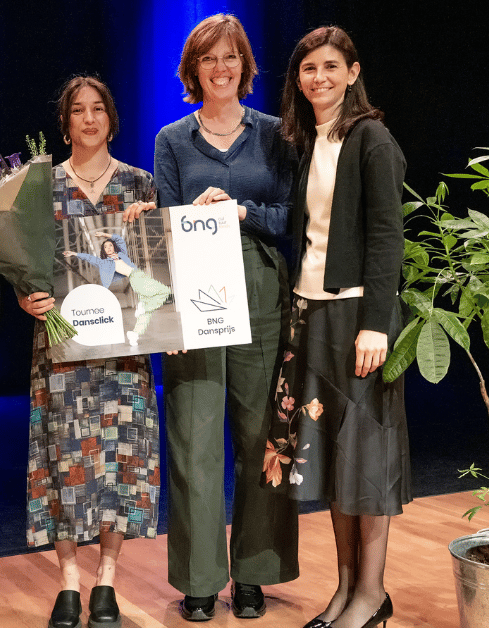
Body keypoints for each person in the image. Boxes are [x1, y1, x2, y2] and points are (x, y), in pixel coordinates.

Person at [152, 13, 299, 622]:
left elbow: (289, 215)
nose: (220, 69)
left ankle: (254, 574)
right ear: (193, 70)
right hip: (193, 299)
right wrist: (195, 212)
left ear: (245, 66)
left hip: (261, 293)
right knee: (192, 441)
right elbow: (160, 229)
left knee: (260, 438)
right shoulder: (171, 140)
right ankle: (199, 579)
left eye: (230, 58)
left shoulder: (275, 134)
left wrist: (239, 210)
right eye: (208, 60)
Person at [264, 25, 408, 628]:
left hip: (357, 317)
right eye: (307, 69)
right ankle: (347, 588)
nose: (317, 78)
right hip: (310, 312)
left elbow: (386, 238)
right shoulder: (314, 141)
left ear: (352, 73)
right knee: (329, 458)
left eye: (329, 67)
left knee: (366, 457)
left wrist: (376, 324)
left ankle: (372, 594)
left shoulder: (371, 138)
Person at [19, 75, 160, 628]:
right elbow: (23, 262)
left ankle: (107, 580)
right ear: (65, 121)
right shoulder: (40, 188)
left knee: (120, 461)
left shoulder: (139, 183)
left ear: (111, 118)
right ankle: (69, 584)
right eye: (77, 110)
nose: (88, 119)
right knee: (64, 460)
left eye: (98, 108)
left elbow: (156, 268)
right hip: (62, 345)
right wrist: (26, 295)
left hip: (124, 352)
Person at [63, 231, 173, 344]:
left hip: (139, 276)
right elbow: (89, 258)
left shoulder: (122, 253)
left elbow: (119, 239)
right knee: (165, 291)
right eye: (105, 247)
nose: (108, 248)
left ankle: (135, 334)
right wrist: (74, 254)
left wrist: (105, 235)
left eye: (110, 245)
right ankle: (144, 307)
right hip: (136, 278)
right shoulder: (104, 263)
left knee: (146, 314)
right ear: (104, 250)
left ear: (114, 247)